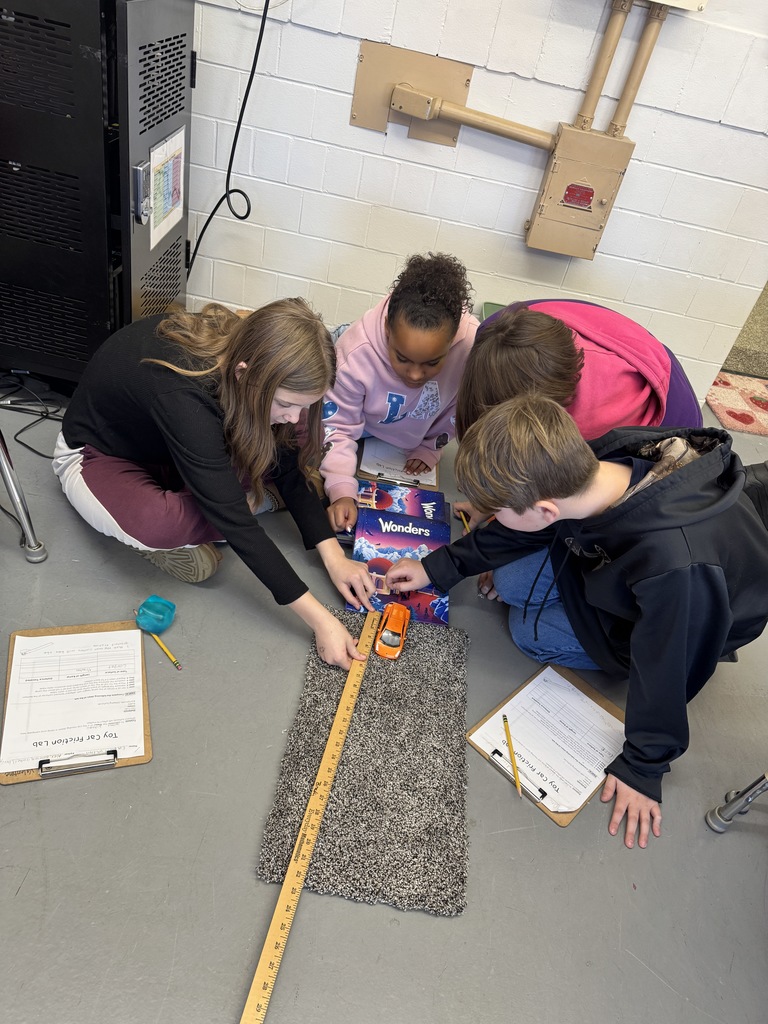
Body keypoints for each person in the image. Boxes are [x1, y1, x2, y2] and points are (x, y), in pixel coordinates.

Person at [384, 395, 768, 849]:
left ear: (546, 510)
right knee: (508, 584)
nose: (488, 518)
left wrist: (644, 766)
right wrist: (438, 568)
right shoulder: (596, 462)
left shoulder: (675, 566)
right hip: (611, 553)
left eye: (498, 510)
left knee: (529, 632)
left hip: (689, 617)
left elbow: (669, 661)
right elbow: (517, 528)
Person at [53, 299, 375, 669]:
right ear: (243, 373)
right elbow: (235, 522)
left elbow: (287, 465)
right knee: (161, 523)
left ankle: (239, 498)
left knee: (296, 433)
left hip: (180, 449)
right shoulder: (182, 393)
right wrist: (322, 620)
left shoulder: (252, 362)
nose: (293, 414)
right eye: (286, 402)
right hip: (102, 456)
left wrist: (335, 559)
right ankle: (250, 500)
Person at [320, 252, 479, 533]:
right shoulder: (356, 353)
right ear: (387, 330)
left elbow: (455, 408)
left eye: (432, 362)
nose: (415, 374)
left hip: (403, 427)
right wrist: (342, 489)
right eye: (402, 358)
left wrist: (430, 446)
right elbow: (338, 425)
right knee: (305, 434)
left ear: (453, 340)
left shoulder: (469, 350)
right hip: (359, 415)